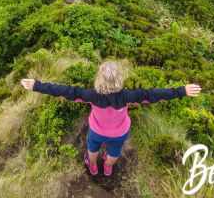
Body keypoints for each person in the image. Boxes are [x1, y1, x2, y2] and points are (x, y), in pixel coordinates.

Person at [21, 60, 201, 176]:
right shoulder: (128, 97)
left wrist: (37, 85)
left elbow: (64, 91)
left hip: (97, 131)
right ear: (120, 79)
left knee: (92, 149)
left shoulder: (90, 95)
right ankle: (108, 167)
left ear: (99, 79)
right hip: (119, 133)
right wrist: (182, 91)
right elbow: (154, 94)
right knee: (114, 152)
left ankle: (92, 166)